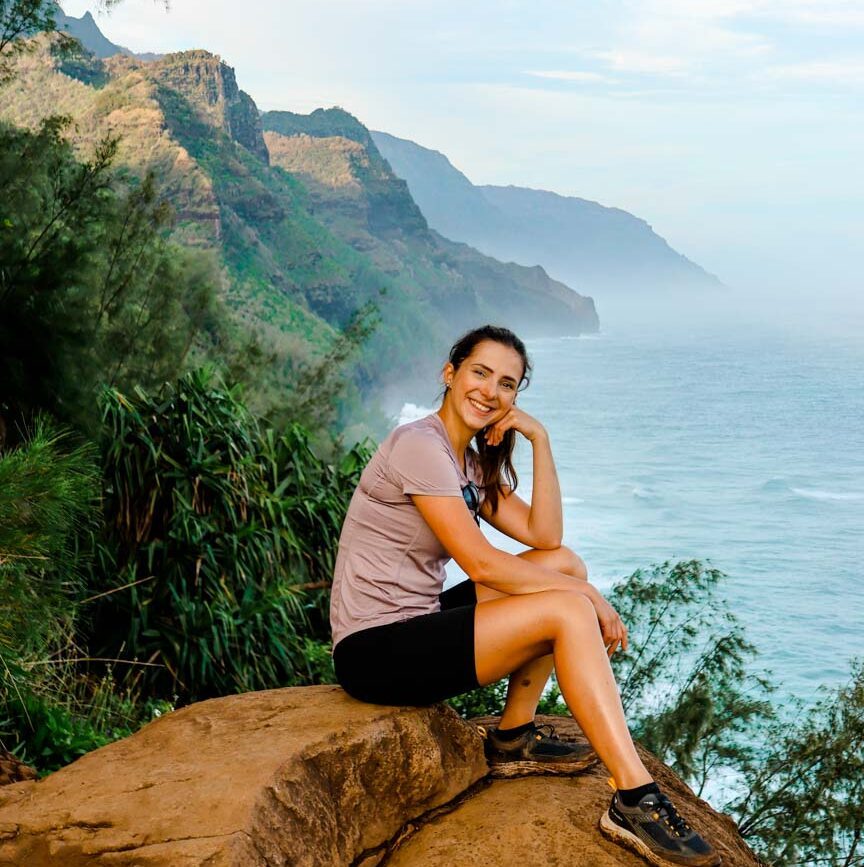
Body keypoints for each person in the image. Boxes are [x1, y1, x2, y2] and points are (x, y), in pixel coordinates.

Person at [330, 325, 721, 867]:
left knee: (564, 566)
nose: (491, 391)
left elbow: (546, 537)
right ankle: (633, 795)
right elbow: (482, 563)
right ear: (451, 374)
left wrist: (540, 440)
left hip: (417, 622)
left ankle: (512, 737)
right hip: (374, 650)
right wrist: (586, 597)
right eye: (480, 373)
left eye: (507, 384)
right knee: (565, 604)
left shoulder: (465, 460)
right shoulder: (419, 447)